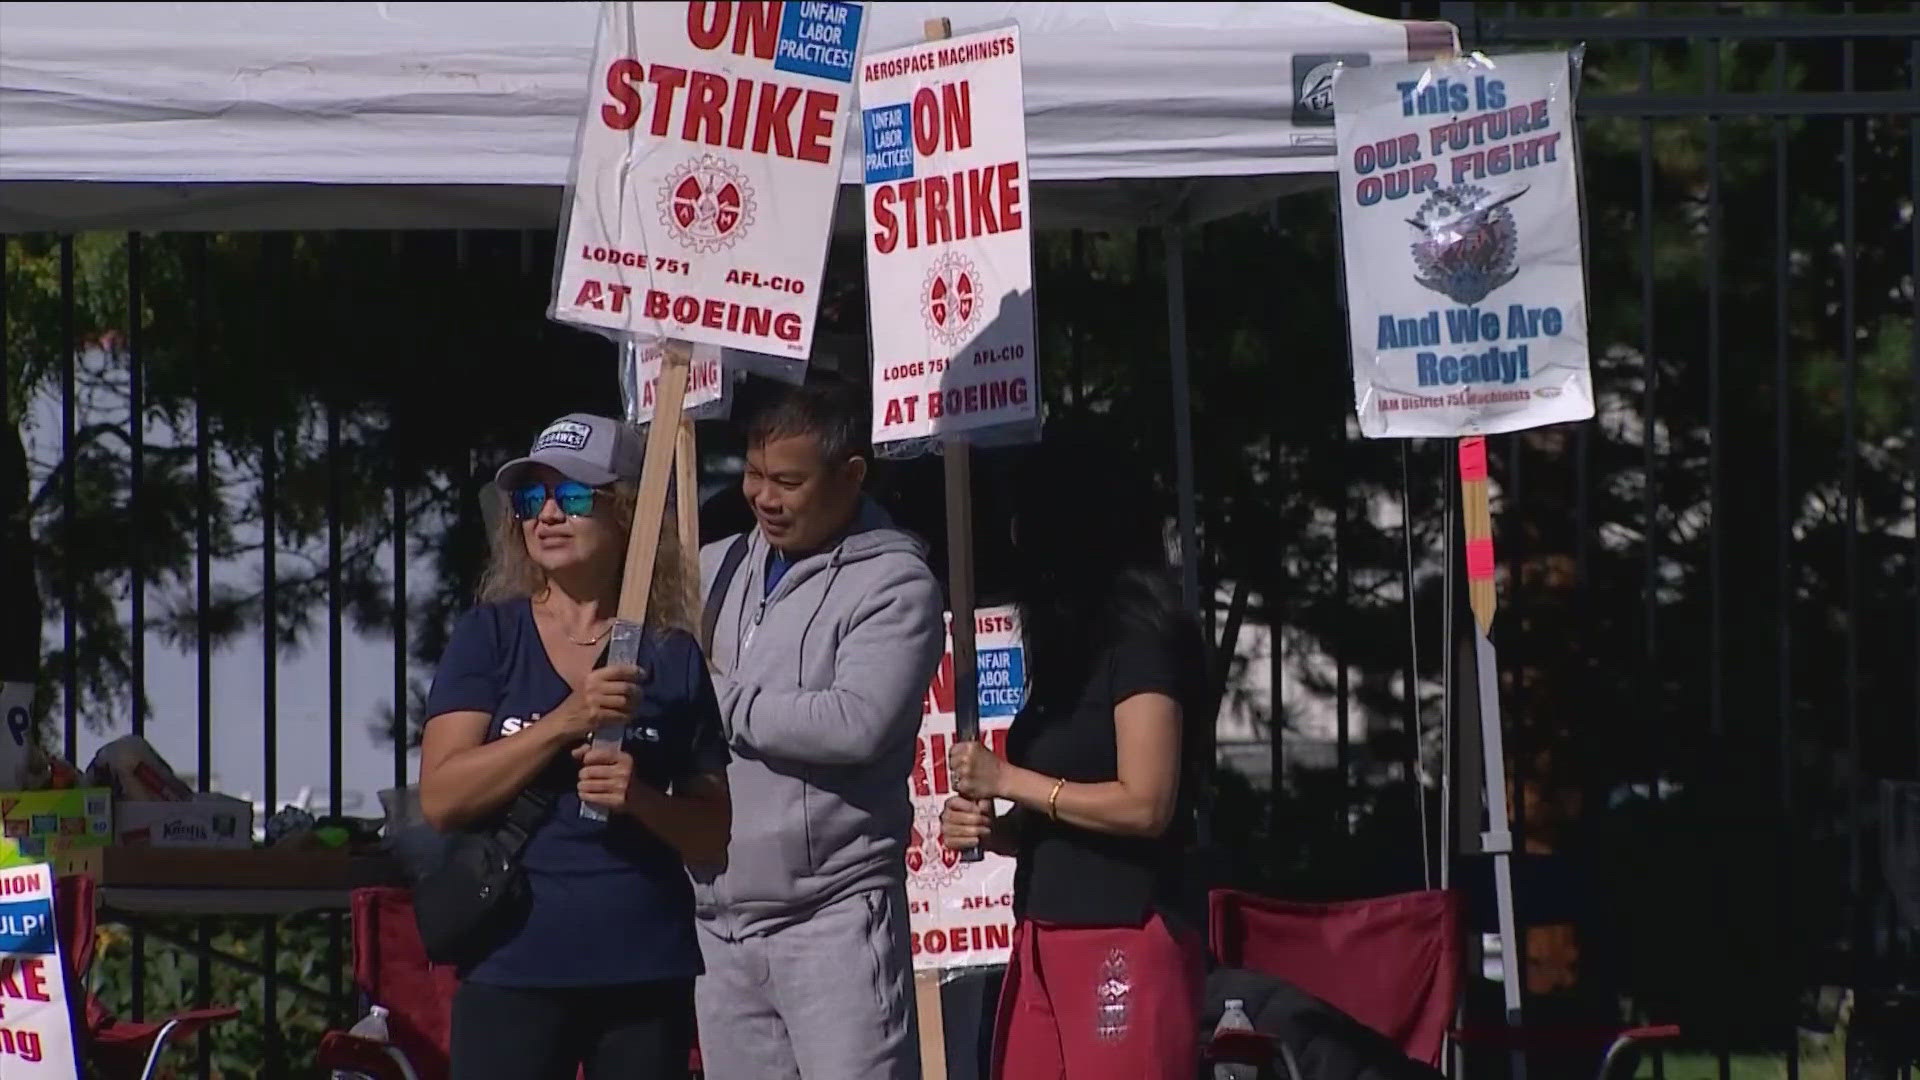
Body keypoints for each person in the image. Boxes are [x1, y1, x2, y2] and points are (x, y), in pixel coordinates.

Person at [418, 412, 731, 1079]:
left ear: (625, 516)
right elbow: (443, 799)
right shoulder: (490, 636)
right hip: (512, 967)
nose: (548, 515)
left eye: (575, 496)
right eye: (530, 499)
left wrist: (640, 798)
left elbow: (712, 837)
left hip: (644, 970)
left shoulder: (670, 656)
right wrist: (563, 722)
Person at [694, 376, 945, 1080]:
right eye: (751, 473)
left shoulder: (896, 583)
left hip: (832, 918)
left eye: (788, 481)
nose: (763, 497)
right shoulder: (713, 569)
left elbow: (855, 723)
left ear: (851, 475)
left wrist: (715, 701)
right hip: (719, 921)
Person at [942, 424, 1210, 1080]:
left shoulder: (1142, 642)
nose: (1012, 535)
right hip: (1044, 926)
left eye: (1024, 517)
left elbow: (1146, 802)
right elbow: (1068, 802)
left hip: (1123, 925)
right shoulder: (1069, 646)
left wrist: (1012, 778)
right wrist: (1003, 832)